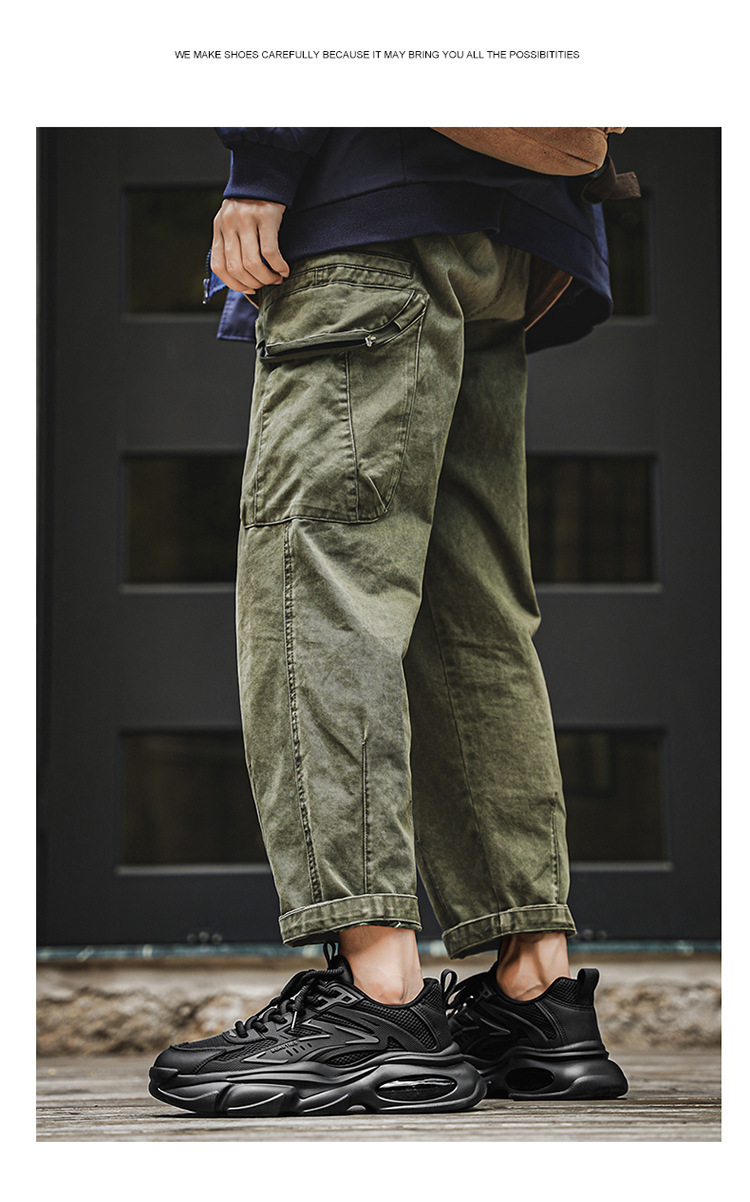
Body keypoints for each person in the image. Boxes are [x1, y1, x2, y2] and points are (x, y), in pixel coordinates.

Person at [148, 127, 629, 1116]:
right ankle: (534, 989)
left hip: (368, 210)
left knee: (319, 582)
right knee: (469, 610)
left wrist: (263, 167)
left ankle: (378, 992)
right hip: (515, 234)